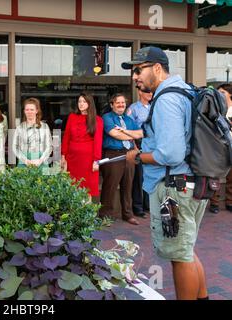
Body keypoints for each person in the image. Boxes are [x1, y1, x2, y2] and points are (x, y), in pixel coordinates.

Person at [123, 46, 209, 300]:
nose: (135, 77)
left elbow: (170, 154)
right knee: (185, 250)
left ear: (157, 68)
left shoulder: (167, 98)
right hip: (191, 182)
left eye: (139, 70)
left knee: (179, 256)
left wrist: (137, 156)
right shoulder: (184, 91)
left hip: (174, 188)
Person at [99, 93, 143, 225]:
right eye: (118, 103)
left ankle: (127, 214)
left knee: (128, 185)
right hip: (113, 154)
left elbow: (140, 133)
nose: (121, 105)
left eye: (123, 103)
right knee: (110, 186)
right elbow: (114, 134)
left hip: (129, 154)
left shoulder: (128, 120)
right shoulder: (107, 117)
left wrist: (125, 131)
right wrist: (130, 133)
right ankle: (105, 215)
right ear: (112, 105)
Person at [61, 93, 103, 198]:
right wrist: (63, 156)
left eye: (84, 101)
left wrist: (96, 160)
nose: (81, 104)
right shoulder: (72, 117)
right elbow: (66, 137)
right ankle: (74, 213)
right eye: (80, 101)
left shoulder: (97, 120)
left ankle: (85, 213)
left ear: (90, 103)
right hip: (72, 158)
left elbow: (98, 141)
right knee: (72, 186)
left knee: (87, 188)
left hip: (88, 160)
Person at [127, 88, 153, 218]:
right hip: (139, 143)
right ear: (140, 93)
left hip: (152, 144)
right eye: (147, 91)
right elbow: (128, 129)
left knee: (150, 175)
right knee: (139, 177)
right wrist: (134, 147)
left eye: (151, 92)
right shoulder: (133, 108)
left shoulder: (154, 107)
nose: (150, 94)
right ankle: (138, 207)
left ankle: (148, 205)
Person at [209, 83, 232, 214]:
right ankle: (214, 203)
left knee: (231, 177)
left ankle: (229, 202)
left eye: (223, 92)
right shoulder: (216, 109)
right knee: (215, 176)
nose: (220, 94)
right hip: (218, 146)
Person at [12, 98, 52, 169]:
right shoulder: (19, 128)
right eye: (27, 110)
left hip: (41, 162)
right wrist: (26, 161)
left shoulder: (45, 127)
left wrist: (40, 160)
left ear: (36, 110)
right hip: (24, 162)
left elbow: (49, 147)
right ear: (24, 111)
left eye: (32, 109)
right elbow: (15, 146)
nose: (29, 112)